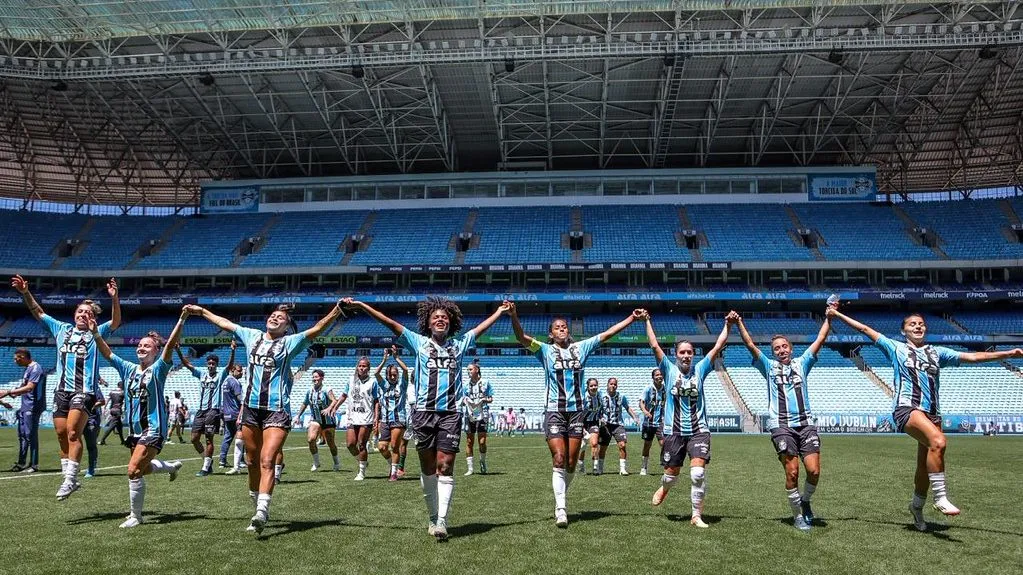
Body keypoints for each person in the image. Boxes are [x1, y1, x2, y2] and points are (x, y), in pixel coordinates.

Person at [827, 306, 1023, 531]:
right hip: (906, 408)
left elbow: (972, 356)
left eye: (921, 324)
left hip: (933, 413)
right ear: (903, 331)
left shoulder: (937, 352)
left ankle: (916, 508)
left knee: (924, 469)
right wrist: (838, 315)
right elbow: (864, 329)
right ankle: (940, 498)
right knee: (938, 441)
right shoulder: (895, 348)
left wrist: (1008, 354)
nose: (918, 326)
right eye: (912, 324)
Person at [341, 296, 509, 540]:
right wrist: (363, 306)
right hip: (423, 414)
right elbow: (389, 323)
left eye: (444, 317)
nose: (440, 319)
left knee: (445, 465)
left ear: (450, 323)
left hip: (451, 413)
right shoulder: (417, 342)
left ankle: (442, 521)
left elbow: (480, 328)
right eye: (435, 317)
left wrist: (500, 312)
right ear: (428, 324)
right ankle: (432, 517)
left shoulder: (459, 345)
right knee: (428, 468)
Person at [188, 301, 345, 533]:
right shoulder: (251, 335)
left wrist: (336, 310)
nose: (275, 318)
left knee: (267, 459)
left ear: (287, 327)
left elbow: (317, 329)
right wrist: (201, 312)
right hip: (251, 409)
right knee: (251, 462)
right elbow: (225, 323)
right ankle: (258, 505)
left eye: (281, 318)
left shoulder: (290, 343)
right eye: (273, 315)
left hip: (277, 410)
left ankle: (262, 511)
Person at [509, 304, 643, 527]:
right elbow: (521, 337)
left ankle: (561, 496)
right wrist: (514, 315)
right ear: (551, 334)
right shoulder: (544, 350)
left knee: (571, 463)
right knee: (559, 458)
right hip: (554, 410)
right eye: (557, 328)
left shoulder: (581, 348)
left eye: (564, 327)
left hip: (577, 413)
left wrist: (630, 318)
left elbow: (608, 333)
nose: (562, 329)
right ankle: (561, 508)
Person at [10, 274, 121, 499]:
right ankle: (67, 476)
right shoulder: (61, 329)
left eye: (88, 313)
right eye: (80, 311)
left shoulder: (96, 334)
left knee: (72, 432)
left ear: (93, 319)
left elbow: (116, 321)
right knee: (61, 433)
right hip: (61, 392)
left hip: (85, 392)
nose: (83, 314)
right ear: (74, 314)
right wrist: (25, 293)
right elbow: (39, 312)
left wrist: (115, 298)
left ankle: (71, 479)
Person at [735, 308, 832, 530]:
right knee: (793, 471)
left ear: (791, 348)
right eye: (776, 348)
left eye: (784, 346)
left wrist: (829, 317)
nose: (781, 350)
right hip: (781, 426)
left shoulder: (803, 363)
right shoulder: (768, 367)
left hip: (806, 424)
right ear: (773, 352)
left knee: (814, 471)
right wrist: (739, 322)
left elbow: (821, 338)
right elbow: (750, 345)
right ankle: (798, 516)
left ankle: (805, 501)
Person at [92, 309, 188, 528]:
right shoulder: (128, 369)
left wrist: (181, 319)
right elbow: (107, 354)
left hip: (153, 429)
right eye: (139, 345)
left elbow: (171, 345)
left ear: (156, 351)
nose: (141, 348)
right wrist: (96, 333)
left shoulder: (159, 369)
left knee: (133, 470)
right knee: (143, 470)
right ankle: (171, 467)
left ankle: (136, 516)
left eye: (147, 346)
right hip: (134, 431)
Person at [645, 310, 732, 529]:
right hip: (673, 432)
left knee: (697, 473)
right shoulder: (668, 370)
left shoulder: (701, 369)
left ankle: (696, 515)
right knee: (671, 475)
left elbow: (717, 346)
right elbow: (655, 346)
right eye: (682, 352)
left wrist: (728, 325)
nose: (686, 355)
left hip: (699, 430)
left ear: (693, 355)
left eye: (689, 352)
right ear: (676, 355)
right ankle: (664, 488)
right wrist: (647, 320)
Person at [179, 342, 236, 476]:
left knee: (209, 439)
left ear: (216, 365)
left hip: (213, 410)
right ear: (207, 364)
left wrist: (233, 351)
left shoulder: (220, 374)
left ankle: (205, 468)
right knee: (194, 438)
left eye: (213, 364)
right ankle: (207, 462)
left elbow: (229, 366)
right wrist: (178, 351)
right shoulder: (201, 374)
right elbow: (187, 365)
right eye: (209, 363)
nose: (211, 366)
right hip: (201, 410)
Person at [325, 356, 378, 481]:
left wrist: (376, 416)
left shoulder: (373, 382)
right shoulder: (350, 380)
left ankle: (361, 472)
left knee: (361, 444)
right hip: (352, 417)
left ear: (368, 368)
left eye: (364, 366)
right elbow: (343, 396)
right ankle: (362, 461)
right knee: (350, 444)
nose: (361, 368)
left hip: (366, 417)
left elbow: (376, 401)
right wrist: (335, 408)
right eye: (360, 366)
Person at [1, 348, 47, 473]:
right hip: (25, 405)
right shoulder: (28, 369)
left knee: (30, 435)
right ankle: (21, 463)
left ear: (23, 357)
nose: (15, 361)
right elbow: (24, 385)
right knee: (22, 435)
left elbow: (30, 387)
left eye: (16, 359)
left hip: (33, 405)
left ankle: (34, 464)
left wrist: (8, 392)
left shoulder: (36, 368)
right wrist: (14, 393)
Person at [374, 347, 411, 481]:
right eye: (391, 375)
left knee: (395, 445)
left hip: (398, 419)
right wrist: (384, 359)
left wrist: (396, 358)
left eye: (395, 374)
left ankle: (394, 473)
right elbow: (376, 373)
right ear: (387, 375)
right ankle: (392, 465)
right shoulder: (383, 385)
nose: (393, 377)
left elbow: (406, 370)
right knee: (382, 447)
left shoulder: (402, 385)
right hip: (385, 420)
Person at [294, 369, 340, 472]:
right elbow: (305, 403)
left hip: (328, 421)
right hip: (316, 419)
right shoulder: (309, 391)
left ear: (322, 378)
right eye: (313, 377)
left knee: (331, 443)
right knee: (311, 439)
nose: (314, 379)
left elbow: (334, 401)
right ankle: (316, 462)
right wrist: (298, 415)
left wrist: (329, 408)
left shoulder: (327, 389)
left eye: (316, 377)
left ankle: (336, 463)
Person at [462, 362, 493, 476]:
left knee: (482, 441)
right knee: (469, 441)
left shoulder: (486, 383)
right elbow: (462, 399)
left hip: (483, 413)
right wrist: (466, 401)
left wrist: (483, 400)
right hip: (469, 414)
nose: (468, 372)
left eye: (470, 369)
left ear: (477, 370)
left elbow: (491, 398)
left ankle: (482, 461)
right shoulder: (465, 384)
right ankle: (470, 468)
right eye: (468, 370)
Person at [638, 369, 666, 476]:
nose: (659, 376)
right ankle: (644, 467)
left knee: (664, 443)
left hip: (661, 422)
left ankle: (664, 465)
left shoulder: (665, 389)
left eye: (661, 374)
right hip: (648, 423)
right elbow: (641, 402)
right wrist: (645, 411)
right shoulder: (648, 388)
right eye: (657, 375)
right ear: (653, 377)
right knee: (647, 445)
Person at [220, 362, 244, 470]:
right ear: (233, 370)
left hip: (226, 413)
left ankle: (222, 460)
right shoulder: (235, 382)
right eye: (239, 370)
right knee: (241, 437)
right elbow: (239, 398)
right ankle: (241, 461)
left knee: (227, 437)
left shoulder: (225, 381)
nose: (241, 372)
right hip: (236, 413)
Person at [578, 378, 602, 474]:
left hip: (594, 422)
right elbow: (578, 413)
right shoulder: (583, 397)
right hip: (582, 423)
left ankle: (595, 468)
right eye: (591, 386)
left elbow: (601, 409)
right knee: (583, 446)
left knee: (594, 443)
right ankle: (581, 466)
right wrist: (581, 427)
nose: (593, 387)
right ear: (588, 387)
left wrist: (601, 417)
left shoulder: (600, 395)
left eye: (595, 385)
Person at [83, 385, 105, 478]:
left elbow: (102, 401)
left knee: (91, 444)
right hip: (79, 419)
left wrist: (91, 407)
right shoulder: (73, 387)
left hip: (91, 419)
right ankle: (73, 466)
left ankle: (91, 468)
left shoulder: (94, 387)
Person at [99, 381, 125, 446]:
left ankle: (122, 441)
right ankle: (102, 440)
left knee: (119, 426)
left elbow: (107, 400)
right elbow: (125, 402)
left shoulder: (112, 392)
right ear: (122, 386)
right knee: (111, 426)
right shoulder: (123, 392)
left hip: (112, 409)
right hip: (118, 410)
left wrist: (105, 407)